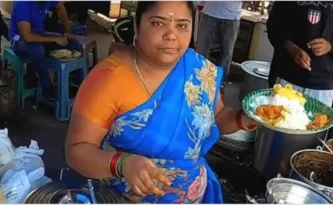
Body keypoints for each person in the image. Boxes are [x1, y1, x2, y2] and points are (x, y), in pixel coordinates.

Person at [65, 1, 258, 203]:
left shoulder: (199, 70)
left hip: (192, 193)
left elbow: (216, 117)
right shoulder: (108, 79)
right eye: (158, 23)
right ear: (137, 27)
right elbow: (76, 150)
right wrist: (123, 164)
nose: (171, 35)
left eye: (182, 25)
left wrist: (244, 119)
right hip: (126, 196)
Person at [267, 1, 333, 106]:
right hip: (286, 79)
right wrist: (291, 48)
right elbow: (274, 26)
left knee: (316, 122)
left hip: (321, 86)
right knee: (278, 120)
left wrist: (331, 46)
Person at [9, 1, 79, 99]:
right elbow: (27, 37)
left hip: (39, 35)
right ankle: (47, 89)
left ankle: (77, 85)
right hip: (19, 40)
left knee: (72, 42)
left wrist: (67, 30)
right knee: (38, 50)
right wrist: (54, 39)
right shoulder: (22, 3)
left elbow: (60, 7)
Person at [196, 1, 242, 83]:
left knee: (226, 55)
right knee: (201, 51)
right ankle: (197, 83)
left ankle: (220, 86)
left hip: (232, 17)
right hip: (209, 13)